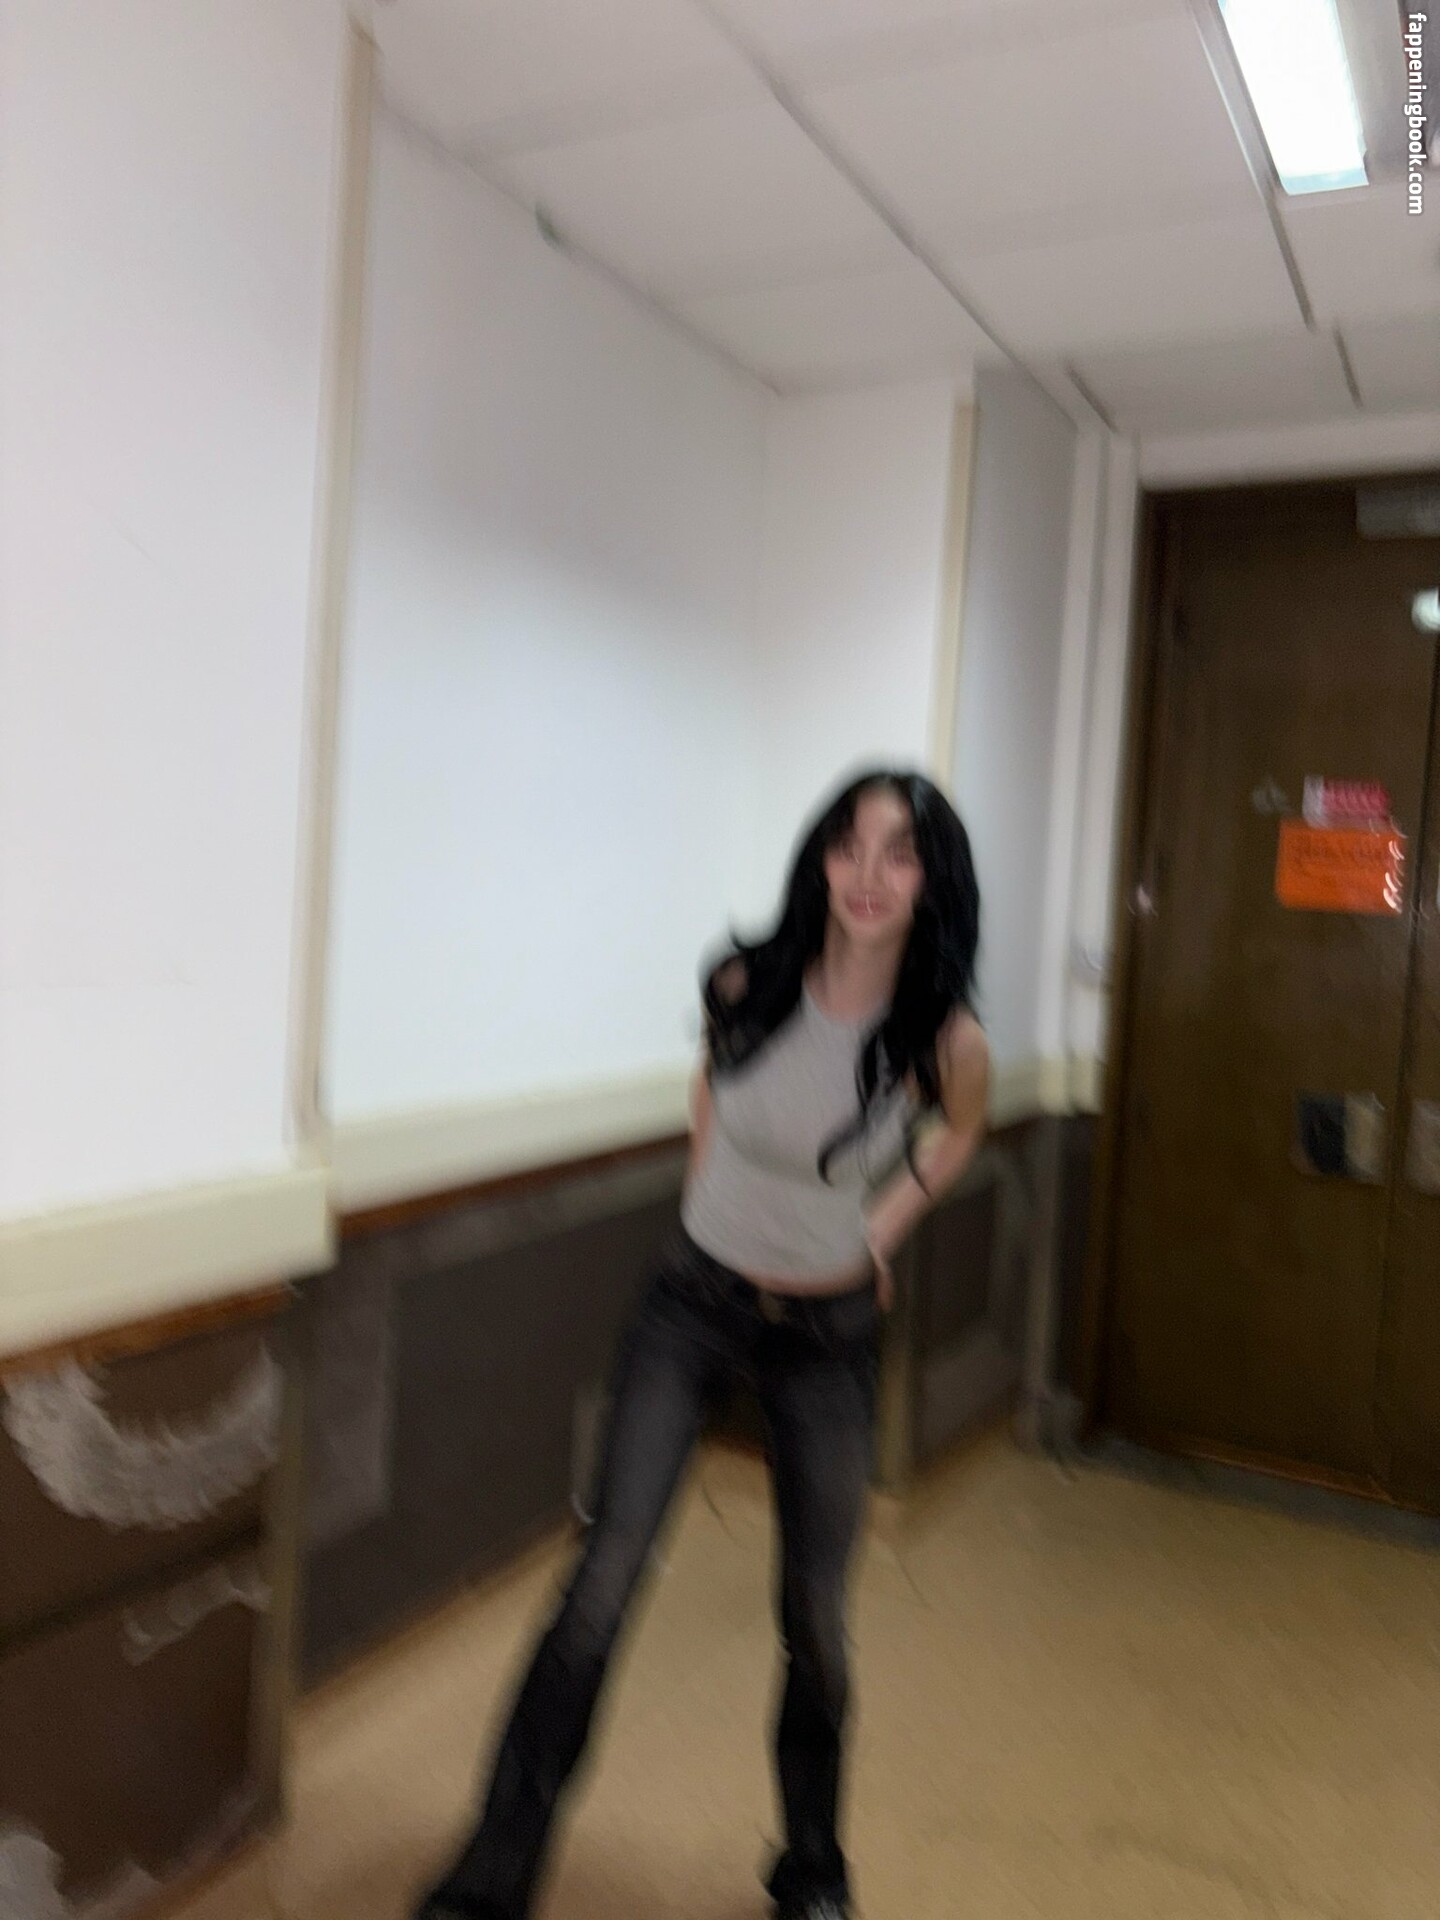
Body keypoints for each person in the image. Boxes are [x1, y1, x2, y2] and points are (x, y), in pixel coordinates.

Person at [416, 767, 990, 1920]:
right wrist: (708, 1202)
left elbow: (959, 1135)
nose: (868, 875)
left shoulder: (944, 1038)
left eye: (900, 853)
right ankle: (491, 1877)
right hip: (690, 1309)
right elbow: (711, 1091)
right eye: (848, 845)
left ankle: (813, 1870)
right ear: (818, 859)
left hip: (826, 1338)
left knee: (815, 1621)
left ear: (934, 882)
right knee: (602, 1583)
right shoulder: (746, 979)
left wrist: (880, 1227)